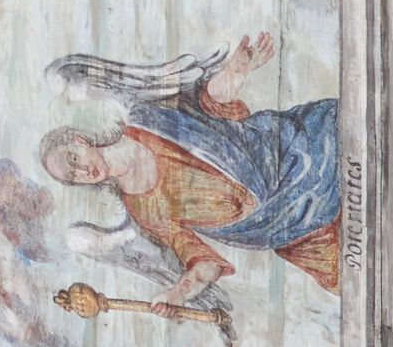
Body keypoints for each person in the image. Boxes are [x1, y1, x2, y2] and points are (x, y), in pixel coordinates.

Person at [42, 40, 342, 313]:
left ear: (80, 141)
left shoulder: (147, 117)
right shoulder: (143, 211)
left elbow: (208, 103)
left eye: (73, 159)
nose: (82, 172)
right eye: (73, 176)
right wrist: (178, 294)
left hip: (301, 154)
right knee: (345, 279)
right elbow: (204, 262)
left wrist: (236, 71)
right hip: (292, 228)